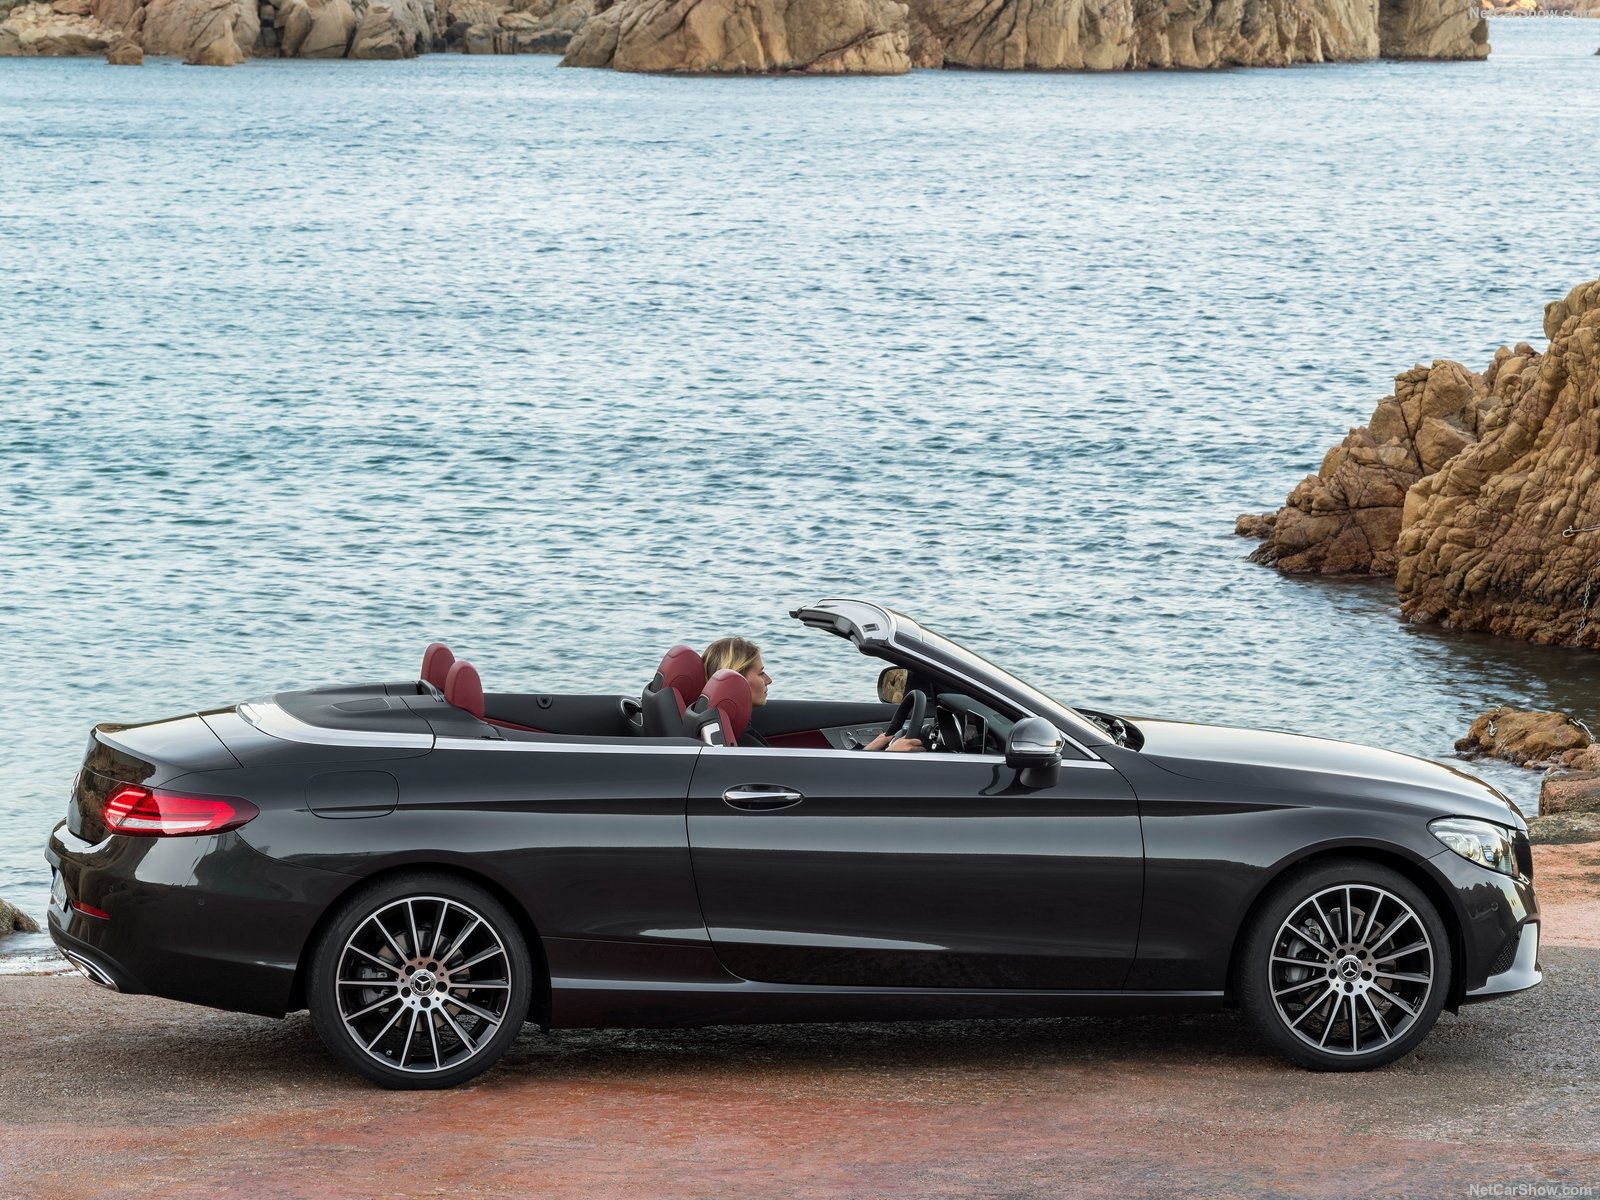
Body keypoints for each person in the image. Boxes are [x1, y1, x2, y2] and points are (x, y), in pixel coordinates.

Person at [701, 637, 922, 751]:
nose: (769, 680)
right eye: (761, 673)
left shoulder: (734, 732)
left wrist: (871, 749)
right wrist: (890, 757)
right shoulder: (743, 741)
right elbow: (817, 785)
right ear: (737, 680)